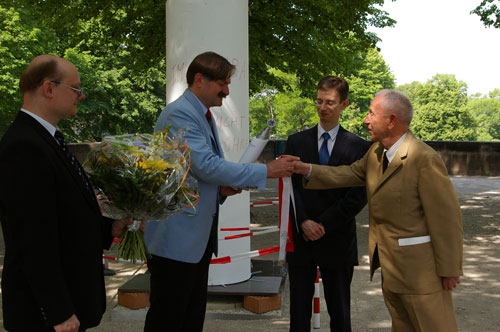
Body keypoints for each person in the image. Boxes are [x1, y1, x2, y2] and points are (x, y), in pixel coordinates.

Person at [143, 51, 298, 332]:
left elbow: (192, 172)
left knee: (189, 318)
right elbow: (207, 166)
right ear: (199, 80)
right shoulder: (181, 114)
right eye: (222, 83)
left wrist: (221, 191)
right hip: (176, 243)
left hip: (191, 242)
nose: (226, 91)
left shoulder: (199, 112)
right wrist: (267, 170)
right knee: (169, 320)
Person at [294, 89, 463, 332]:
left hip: (421, 274)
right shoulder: (376, 153)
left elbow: (446, 219)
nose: (366, 119)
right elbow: (348, 173)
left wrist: (449, 269)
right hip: (392, 269)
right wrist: (306, 169)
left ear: (392, 120)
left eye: (372, 113)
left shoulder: (424, 159)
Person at [0, 55, 132, 332]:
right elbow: (32, 238)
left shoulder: (47, 138)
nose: (81, 96)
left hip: (67, 300)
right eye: (75, 88)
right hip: (44, 314)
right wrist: (58, 311)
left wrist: (109, 227)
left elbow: (64, 215)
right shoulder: (24, 146)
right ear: (49, 89)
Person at [284, 76, 370, 332]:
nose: (323, 107)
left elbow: (357, 195)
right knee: (299, 313)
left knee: (340, 313)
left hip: (338, 238)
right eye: (319, 101)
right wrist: (303, 221)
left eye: (330, 103)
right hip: (301, 238)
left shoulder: (359, 147)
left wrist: (323, 224)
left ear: (344, 104)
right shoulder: (295, 141)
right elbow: (290, 188)